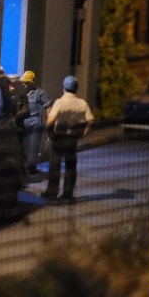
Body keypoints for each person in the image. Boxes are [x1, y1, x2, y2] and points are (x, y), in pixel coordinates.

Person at [41, 75, 94, 205]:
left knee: (55, 166)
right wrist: (84, 133)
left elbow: (50, 121)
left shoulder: (60, 102)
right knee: (71, 167)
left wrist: (50, 133)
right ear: (76, 88)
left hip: (59, 138)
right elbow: (90, 120)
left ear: (63, 88)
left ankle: (52, 193)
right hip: (72, 139)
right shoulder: (82, 103)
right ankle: (68, 195)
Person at [20, 70, 50, 174]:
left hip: (35, 123)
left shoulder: (39, 93)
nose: (25, 84)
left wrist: (49, 121)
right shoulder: (21, 93)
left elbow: (47, 106)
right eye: (24, 82)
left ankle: (31, 167)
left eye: (27, 82)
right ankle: (23, 166)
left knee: (33, 146)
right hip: (23, 123)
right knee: (24, 145)